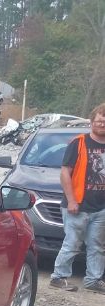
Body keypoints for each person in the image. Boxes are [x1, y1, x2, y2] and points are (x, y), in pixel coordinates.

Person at [50, 102, 105, 293]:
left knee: (97, 246)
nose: (102, 123)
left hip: (101, 207)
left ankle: (93, 280)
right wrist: (72, 200)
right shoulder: (79, 142)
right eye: (99, 119)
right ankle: (58, 277)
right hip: (77, 205)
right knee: (72, 243)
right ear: (92, 121)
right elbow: (65, 173)